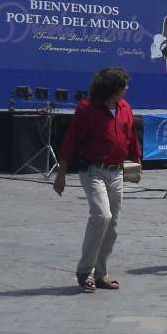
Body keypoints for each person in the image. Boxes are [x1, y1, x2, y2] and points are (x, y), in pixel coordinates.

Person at [54, 67, 141, 293]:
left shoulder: (125, 109)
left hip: (117, 172)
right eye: (124, 85)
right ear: (112, 88)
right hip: (93, 170)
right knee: (102, 215)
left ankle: (101, 273)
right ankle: (85, 271)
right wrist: (61, 174)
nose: (127, 89)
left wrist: (134, 170)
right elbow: (71, 140)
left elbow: (130, 141)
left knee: (112, 225)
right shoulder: (86, 109)